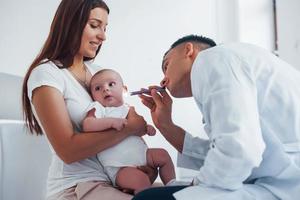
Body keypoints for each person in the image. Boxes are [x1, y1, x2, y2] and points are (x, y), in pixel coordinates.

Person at [135, 35, 300, 200]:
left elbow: (238, 148)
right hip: (284, 183)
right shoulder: (231, 63)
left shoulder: (211, 58)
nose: (163, 79)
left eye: (167, 65)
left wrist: (196, 185)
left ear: (188, 50)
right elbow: (227, 149)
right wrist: (166, 126)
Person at [21, 0, 154, 199]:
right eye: (94, 25)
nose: (103, 36)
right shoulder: (47, 74)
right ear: (70, 24)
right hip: (75, 188)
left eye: (104, 28)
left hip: (114, 179)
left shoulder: (98, 74)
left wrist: (144, 167)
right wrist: (129, 128)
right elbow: (68, 151)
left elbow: (121, 115)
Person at [81, 69, 176, 194]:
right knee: (141, 181)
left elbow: (137, 129)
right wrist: (111, 122)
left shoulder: (128, 108)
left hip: (142, 154)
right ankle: (139, 192)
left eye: (111, 84)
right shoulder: (98, 109)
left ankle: (172, 185)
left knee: (162, 155)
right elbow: (88, 124)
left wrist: (146, 128)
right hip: (119, 166)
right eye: (98, 88)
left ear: (124, 90)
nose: (105, 89)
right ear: (92, 96)